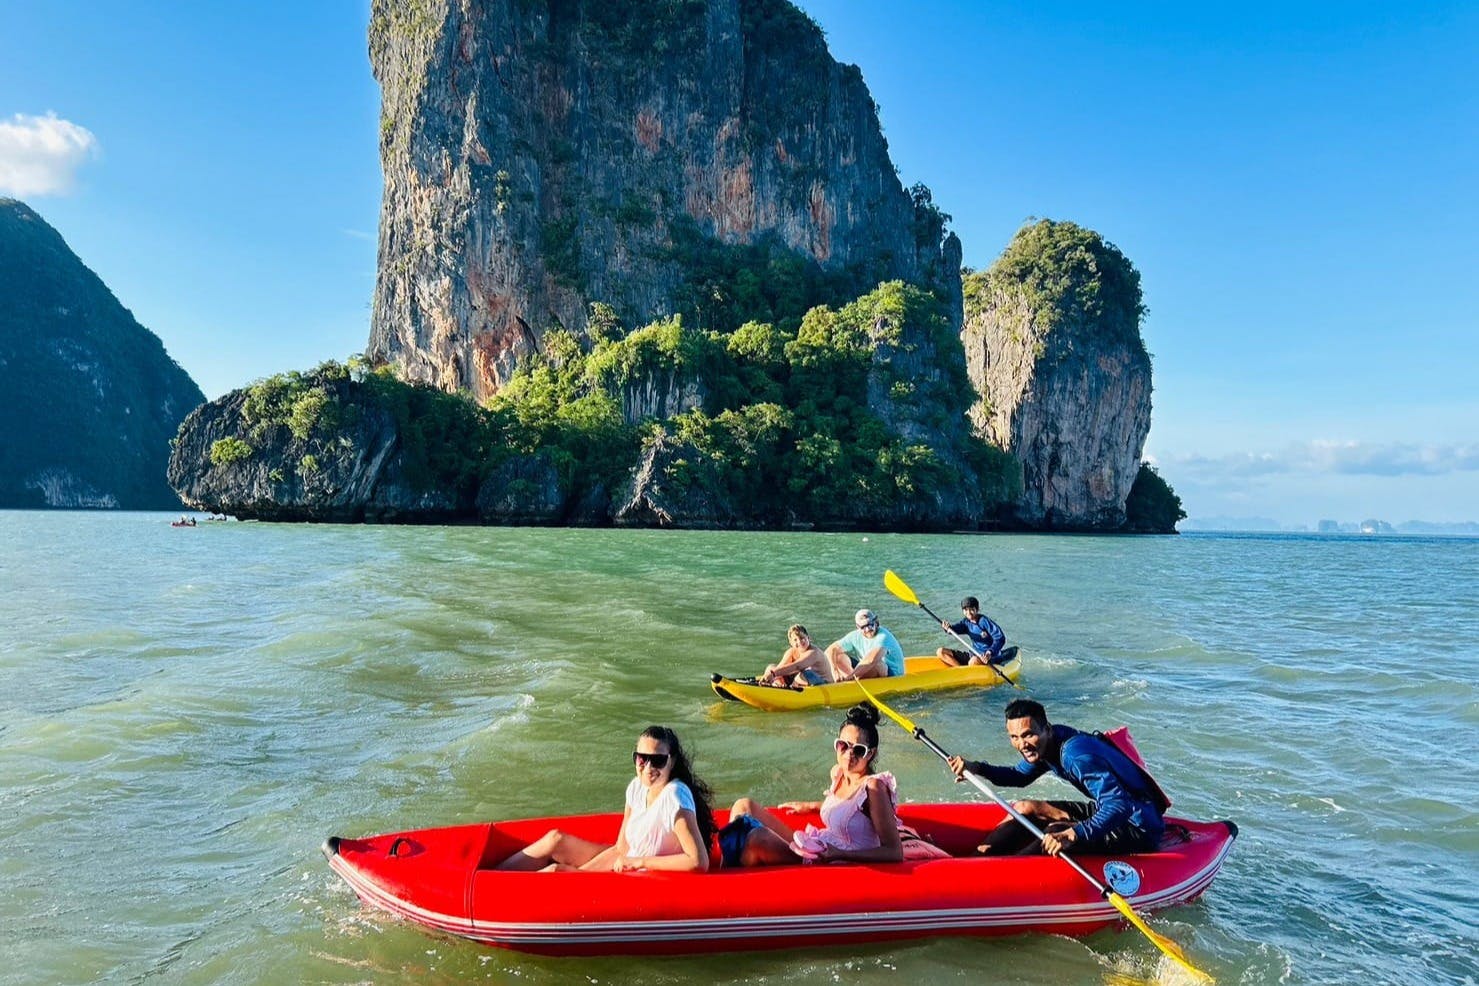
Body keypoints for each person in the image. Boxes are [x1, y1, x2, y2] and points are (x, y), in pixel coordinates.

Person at [947, 699, 1166, 857]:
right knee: (1025, 807)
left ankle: (1004, 873)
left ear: (1047, 729)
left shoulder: (1076, 756)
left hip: (1136, 826)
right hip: (1108, 808)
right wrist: (976, 768)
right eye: (1014, 737)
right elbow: (1019, 776)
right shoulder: (1048, 744)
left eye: (1028, 735)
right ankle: (975, 859)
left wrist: (1074, 833)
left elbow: (1120, 806)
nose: (1021, 744)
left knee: (1054, 832)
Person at [495, 725, 716, 872]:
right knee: (555, 839)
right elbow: (621, 849)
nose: (648, 768)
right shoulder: (636, 788)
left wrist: (639, 861)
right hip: (625, 862)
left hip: (644, 876)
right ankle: (488, 878)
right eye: (642, 759)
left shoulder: (675, 796)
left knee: (555, 872)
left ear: (672, 761)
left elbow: (698, 861)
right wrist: (583, 875)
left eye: (657, 760)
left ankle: (494, 895)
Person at [717, 704, 905, 866]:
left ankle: (730, 882)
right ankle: (723, 869)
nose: (849, 754)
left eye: (858, 749)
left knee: (758, 838)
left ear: (870, 754)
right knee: (744, 805)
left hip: (835, 861)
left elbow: (894, 852)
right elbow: (848, 809)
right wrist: (810, 806)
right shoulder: (839, 774)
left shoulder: (873, 788)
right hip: (818, 846)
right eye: (843, 745)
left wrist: (839, 854)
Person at [825, 609, 905, 681]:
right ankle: (849, 681)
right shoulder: (855, 636)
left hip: (892, 675)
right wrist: (834, 671)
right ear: (857, 627)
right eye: (863, 627)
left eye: (870, 625)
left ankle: (850, 680)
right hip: (864, 670)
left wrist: (851, 677)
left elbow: (871, 660)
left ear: (876, 622)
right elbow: (831, 650)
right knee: (838, 656)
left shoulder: (883, 637)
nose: (867, 629)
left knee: (878, 665)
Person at [759, 624, 838, 687]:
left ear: (808, 638)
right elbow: (780, 668)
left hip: (824, 684)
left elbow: (797, 666)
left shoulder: (814, 652)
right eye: (795, 640)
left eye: (802, 638)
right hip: (803, 682)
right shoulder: (791, 652)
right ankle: (778, 686)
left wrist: (773, 674)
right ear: (791, 643)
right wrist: (770, 675)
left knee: (804, 674)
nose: (799, 642)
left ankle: (789, 691)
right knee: (771, 667)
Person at [937, 596, 1007, 666]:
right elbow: (955, 629)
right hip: (973, 654)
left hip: (989, 657)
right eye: (966, 610)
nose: (969, 612)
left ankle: (965, 672)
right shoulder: (966, 622)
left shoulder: (984, 621)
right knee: (941, 652)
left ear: (977, 609)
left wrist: (989, 652)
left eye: (971, 609)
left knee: (973, 661)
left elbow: (1000, 638)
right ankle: (961, 671)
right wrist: (947, 627)